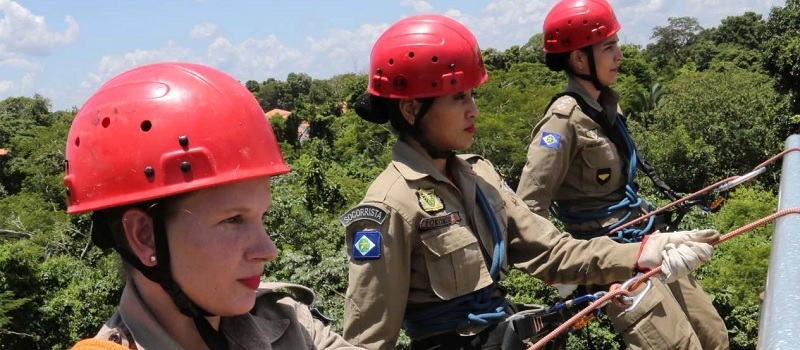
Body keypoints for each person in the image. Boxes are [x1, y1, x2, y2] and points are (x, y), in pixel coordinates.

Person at [340, 14, 719, 350]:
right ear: (411, 109)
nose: (474, 110)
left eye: (472, 94)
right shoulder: (389, 207)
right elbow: (368, 339)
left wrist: (642, 252)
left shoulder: (479, 174)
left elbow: (552, 252)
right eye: (458, 98)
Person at [65, 62, 361, 350]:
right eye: (232, 220)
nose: (269, 251)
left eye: (263, 217)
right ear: (145, 236)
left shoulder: (287, 325)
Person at [515, 0, 729, 349]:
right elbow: (527, 211)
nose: (620, 55)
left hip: (644, 238)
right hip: (609, 260)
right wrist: (566, 271)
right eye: (608, 47)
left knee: (713, 336)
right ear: (579, 59)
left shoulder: (606, 108)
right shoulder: (562, 123)